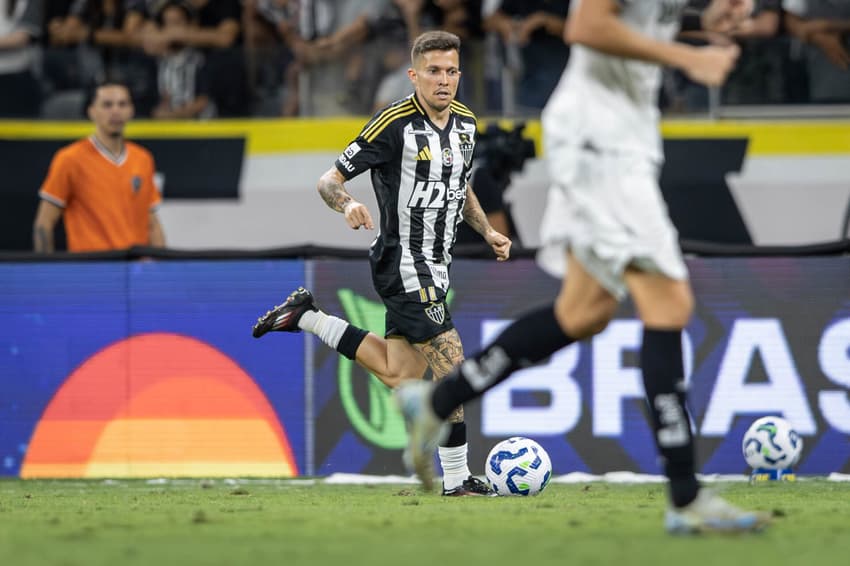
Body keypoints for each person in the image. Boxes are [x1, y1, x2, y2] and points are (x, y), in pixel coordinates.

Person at [395, 0, 772, 534]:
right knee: (668, 301)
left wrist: (698, 25)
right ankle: (686, 497)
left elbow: (636, 20)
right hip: (601, 140)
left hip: (621, 140)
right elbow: (588, 24)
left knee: (584, 312)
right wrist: (685, 57)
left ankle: (437, 399)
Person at [253, 30, 512, 496]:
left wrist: (487, 229)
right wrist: (347, 204)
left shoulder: (468, 124)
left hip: (438, 262)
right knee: (454, 369)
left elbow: (459, 184)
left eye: (452, 70)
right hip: (404, 262)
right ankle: (456, 479)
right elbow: (328, 180)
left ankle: (306, 317)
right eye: (434, 71)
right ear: (413, 75)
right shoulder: (392, 124)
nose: (444, 80)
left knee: (400, 371)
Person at [33, 80, 166, 252]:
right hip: (93, 269)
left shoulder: (142, 158)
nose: (116, 111)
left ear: (131, 110)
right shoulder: (70, 159)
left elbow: (152, 223)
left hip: (134, 268)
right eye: (107, 105)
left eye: (122, 104)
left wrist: (161, 269)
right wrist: (45, 273)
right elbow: (44, 223)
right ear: (91, 111)